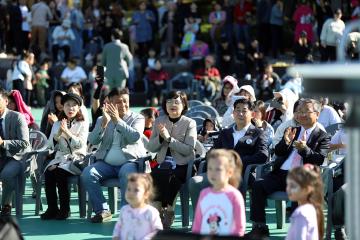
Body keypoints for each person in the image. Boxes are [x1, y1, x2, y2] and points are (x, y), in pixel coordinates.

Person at [247, 99, 330, 238]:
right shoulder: (292, 130)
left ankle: (298, 232)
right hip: (280, 174)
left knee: (301, 192)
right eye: (299, 111)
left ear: (317, 114)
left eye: (305, 111)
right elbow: (278, 152)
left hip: (301, 177)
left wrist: (304, 149)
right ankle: (260, 226)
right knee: (258, 185)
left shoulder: (323, 136)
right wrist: (286, 141)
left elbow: (319, 159)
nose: (301, 115)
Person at [81, 87, 147, 223]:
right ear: (110, 103)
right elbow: (92, 141)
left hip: (130, 162)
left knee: (126, 172)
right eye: (118, 102)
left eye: (125, 101)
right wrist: (103, 124)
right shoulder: (102, 119)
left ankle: (126, 212)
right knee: (87, 173)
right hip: (106, 163)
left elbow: (134, 136)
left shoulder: (138, 118)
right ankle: (102, 210)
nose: (123, 105)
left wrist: (118, 121)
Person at [189, 98, 268, 209]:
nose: (240, 113)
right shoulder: (225, 132)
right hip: (218, 171)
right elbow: (211, 152)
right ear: (233, 113)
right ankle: (201, 219)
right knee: (195, 182)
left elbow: (263, 155)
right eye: (237, 110)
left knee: (225, 184)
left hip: (242, 174)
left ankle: (228, 221)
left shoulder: (258, 133)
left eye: (244, 110)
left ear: (252, 114)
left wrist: (237, 161)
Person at [147, 90, 196, 229]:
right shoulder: (159, 121)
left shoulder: (189, 123)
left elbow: (188, 149)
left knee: (171, 177)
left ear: (184, 105)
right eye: (169, 101)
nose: (172, 104)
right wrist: (161, 138)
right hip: (163, 162)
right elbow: (151, 147)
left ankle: (169, 211)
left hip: (183, 164)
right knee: (154, 176)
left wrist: (169, 139)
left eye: (177, 101)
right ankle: (157, 213)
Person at [40, 93, 88, 220]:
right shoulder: (57, 124)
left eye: (74, 106)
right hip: (60, 158)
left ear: (78, 108)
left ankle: (65, 209)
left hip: (77, 159)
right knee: (49, 174)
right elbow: (50, 145)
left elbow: (79, 146)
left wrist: (67, 132)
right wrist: (57, 135)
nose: (70, 108)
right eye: (67, 105)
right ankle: (52, 208)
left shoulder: (82, 123)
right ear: (63, 107)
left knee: (60, 173)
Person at [192, 149, 245, 237]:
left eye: (218, 169)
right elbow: (198, 222)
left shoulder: (234, 195)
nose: (213, 173)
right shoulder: (204, 194)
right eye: (210, 168)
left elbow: (239, 227)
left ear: (229, 172)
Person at [0, 88, 30, 216]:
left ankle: (6, 204)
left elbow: (24, 143)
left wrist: (3, 143)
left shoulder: (18, 117)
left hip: (16, 157)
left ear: (6, 101)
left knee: (6, 175)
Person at [112, 173, 163, 240]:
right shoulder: (124, 210)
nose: (131, 193)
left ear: (146, 194)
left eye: (136, 190)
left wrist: (147, 238)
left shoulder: (151, 212)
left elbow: (157, 230)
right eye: (128, 189)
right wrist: (116, 236)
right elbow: (118, 226)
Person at [286, 164, 324, 240]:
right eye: (288, 185)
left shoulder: (300, 214)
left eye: (293, 186)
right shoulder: (312, 208)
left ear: (307, 189)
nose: (288, 189)